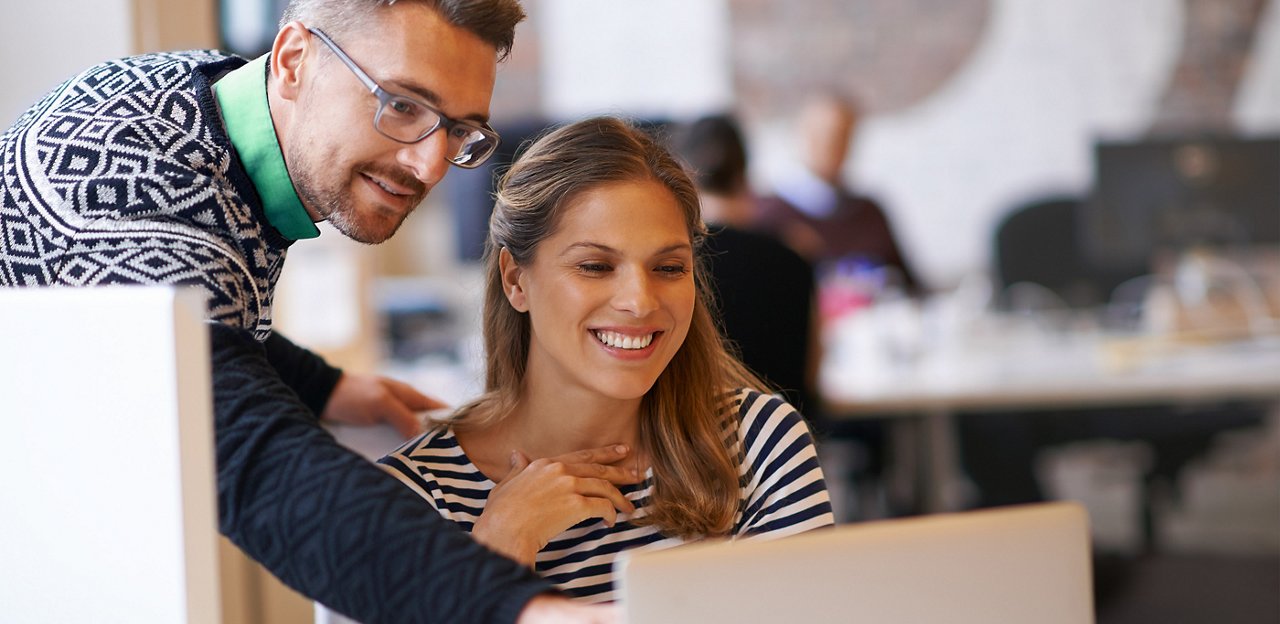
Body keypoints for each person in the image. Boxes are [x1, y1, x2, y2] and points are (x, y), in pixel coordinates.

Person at [0, 1, 612, 622]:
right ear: (294, 60)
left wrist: (324, 385)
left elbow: (193, 319)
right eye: (401, 105)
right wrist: (520, 609)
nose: (429, 165)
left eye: (458, 131)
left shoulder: (201, 95)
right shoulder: (127, 194)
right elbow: (257, 462)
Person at [379, 116, 835, 602]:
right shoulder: (413, 499)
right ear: (515, 280)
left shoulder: (758, 445)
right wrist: (499, 548)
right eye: (595, 266)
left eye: (668, 267)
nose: (640, 301)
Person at [668, 113, 819, 416]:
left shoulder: (671, 265)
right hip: (787, 440)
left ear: (682, 179)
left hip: (699, 438)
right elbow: (813, 370)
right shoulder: (793, 257)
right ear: (743, 175)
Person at [756, 92, 920, 299]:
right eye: (821, 134)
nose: (831, 145)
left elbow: (912, 287)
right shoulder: (770, 217)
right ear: (800, 134)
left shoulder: (871, 212)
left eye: (842, 134)